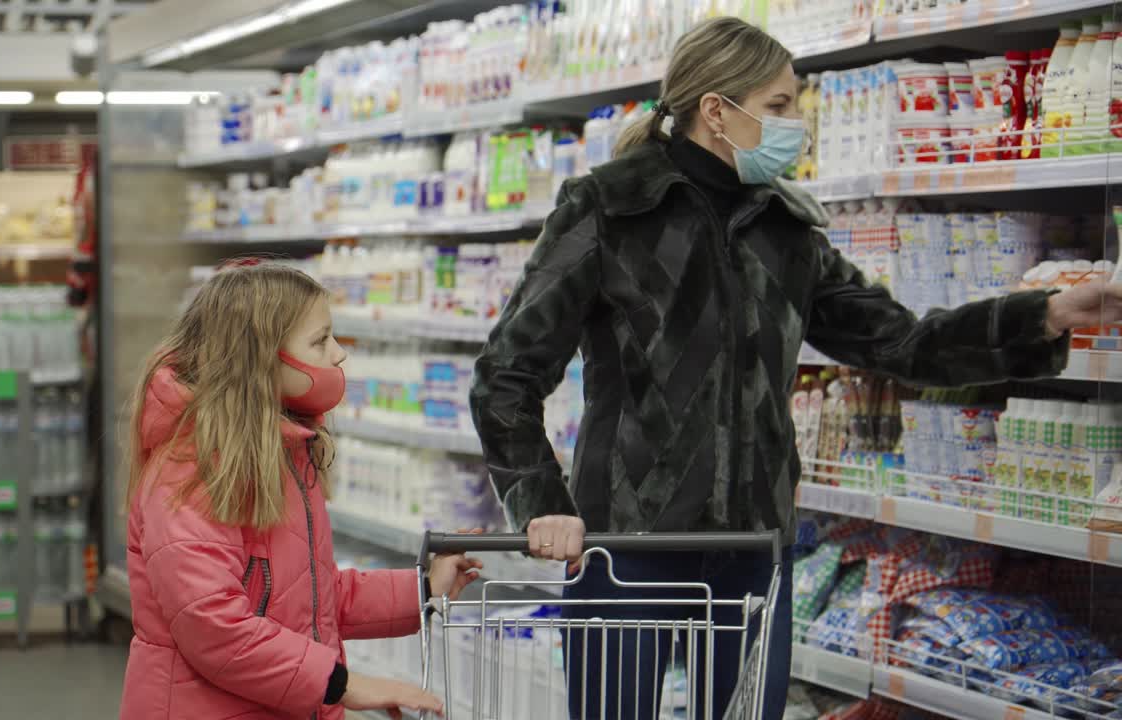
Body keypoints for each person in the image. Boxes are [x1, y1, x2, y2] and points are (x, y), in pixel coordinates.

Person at [469, 16, 1122, 720]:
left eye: (796, 104)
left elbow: (902, 343)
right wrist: (542, 503)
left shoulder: (787, 231)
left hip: (752, 550)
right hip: (625, 548)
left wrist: (1047, 315)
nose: (796, 124)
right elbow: (506, 374)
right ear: (716, 111)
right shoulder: (608, 210)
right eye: (778, 105)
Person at [119, 259, 480, 720]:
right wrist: (343, 685)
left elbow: (309, 596)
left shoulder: (280, 453)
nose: (338, 354)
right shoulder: (190, 470)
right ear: (261, 357)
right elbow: (212, 625)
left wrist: (423, 588)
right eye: (320, 340)